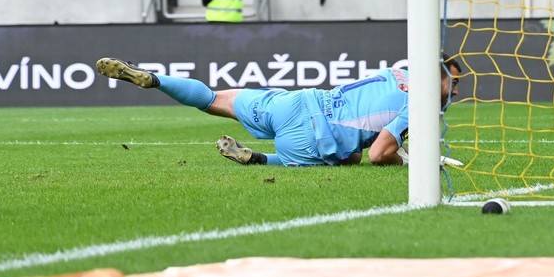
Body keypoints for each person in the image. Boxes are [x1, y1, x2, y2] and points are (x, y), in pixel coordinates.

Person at [92, 55, 461, 167]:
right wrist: (413, 161)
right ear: (436, 79)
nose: (455, 91)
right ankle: (260, 160)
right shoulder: (421, 104)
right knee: (350, 157)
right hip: (314, 138)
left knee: (213, 99)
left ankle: (155, 78)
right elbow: (380, 154)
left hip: (298, 101)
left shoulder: (398, 69)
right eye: (452, 82)